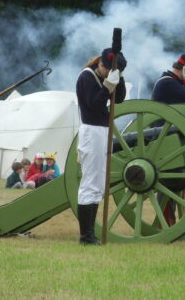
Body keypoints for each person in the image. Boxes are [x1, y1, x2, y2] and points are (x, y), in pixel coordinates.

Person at [76, 47, 127, 245]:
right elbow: (94, 105)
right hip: (91, 131)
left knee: (98, 184)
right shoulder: (86, 77)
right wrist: (107, 86)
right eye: (108, 70)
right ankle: (85, 236)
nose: (108, 74)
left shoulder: (109, 76)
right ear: (100, 64)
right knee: (90, 182)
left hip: (102, 131)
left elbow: (119, 98)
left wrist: (118, 78)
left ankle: (89, 234)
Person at [151, 54, 185, 226]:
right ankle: (164, 221)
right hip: (164, 138)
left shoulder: (174, 83)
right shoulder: (167, 83)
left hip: (171, 137)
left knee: (173, 180)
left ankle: (168, 220)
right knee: (168, 180)